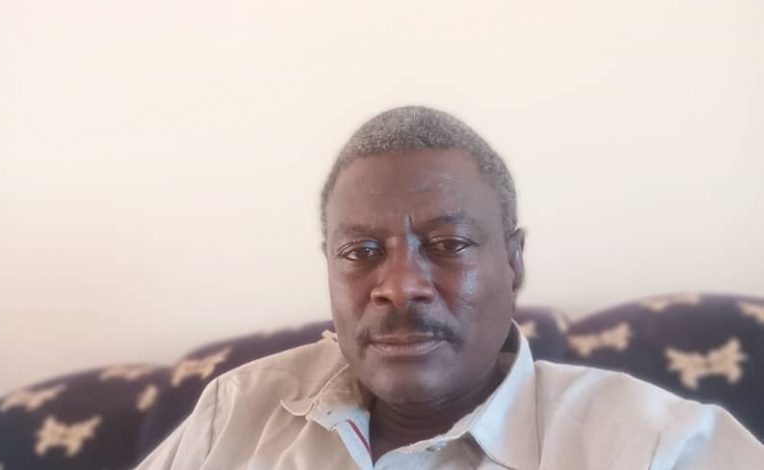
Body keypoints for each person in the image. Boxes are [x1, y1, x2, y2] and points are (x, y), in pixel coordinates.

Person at [135, 106, 762, 469]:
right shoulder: (236, 414)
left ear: (513, 263)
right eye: (361, 253)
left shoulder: (659, 448)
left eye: (448, 245)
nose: (400, 286)